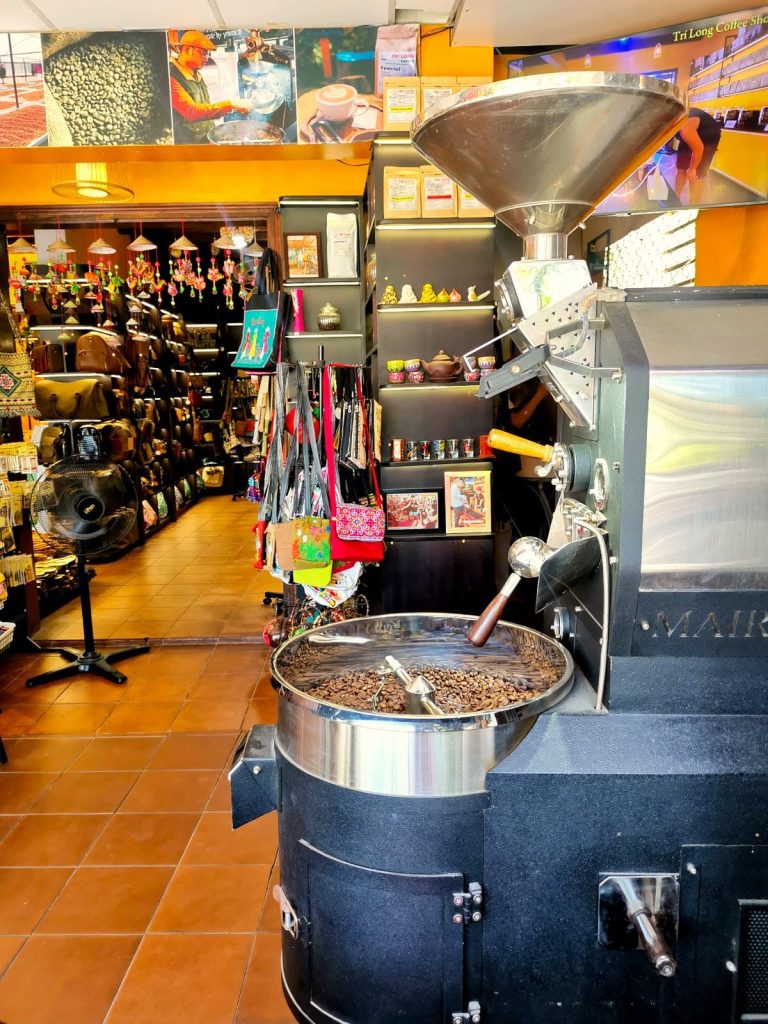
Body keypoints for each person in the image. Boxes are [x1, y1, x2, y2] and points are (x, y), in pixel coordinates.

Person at [169, 30, 250, 145]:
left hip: (206, 139)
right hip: (188, 147)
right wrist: (230, 104)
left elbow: (204, 106)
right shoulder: (171, 76)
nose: (207, 58)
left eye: (208, 54)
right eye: (203, 53)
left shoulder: (196, 73)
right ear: (187, 49)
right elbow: (190, 111)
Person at [674, 107, 722, 206]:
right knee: (681, 167)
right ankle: (675, 198)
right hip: (693, 130)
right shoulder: (672, 123)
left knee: (696, 175)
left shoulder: (685, 126)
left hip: (709, 135)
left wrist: (692, 168)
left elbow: (698, 149)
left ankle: (693, 206)